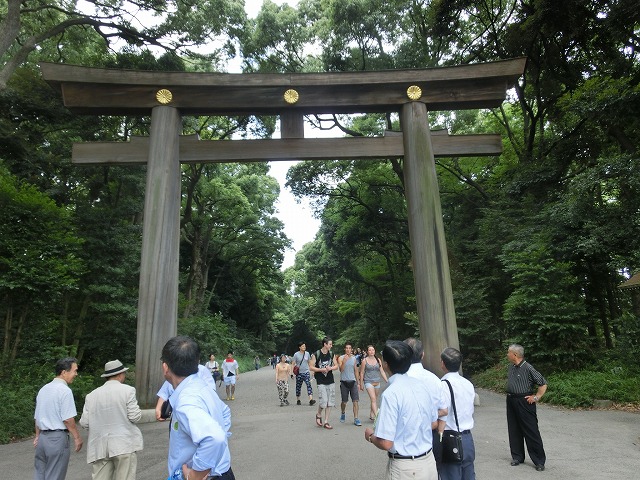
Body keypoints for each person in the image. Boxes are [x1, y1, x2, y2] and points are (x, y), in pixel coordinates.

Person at [363, 340, 438, 480]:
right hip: (429, 463)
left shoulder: (391, 394)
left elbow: (386, 442)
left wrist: (370, 436)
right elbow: (434, 423)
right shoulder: (422, 386)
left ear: (385, 365)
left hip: (405, 468)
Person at [162, 335, 234, 480]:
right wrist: (216, 454)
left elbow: (215, 438)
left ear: (165, 367)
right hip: (223, 471)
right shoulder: (202, 387)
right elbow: (225, 412)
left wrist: (195, 474)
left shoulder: (186, 401)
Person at [79, 360, 143, 480]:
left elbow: (84, 423)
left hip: (100, 446)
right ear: (120, 375)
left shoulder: (91, 395)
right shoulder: (128, 390)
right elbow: (134, 416)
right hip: (124, 443)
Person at [33, 357, 83, 480]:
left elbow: (38, 417)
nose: (76, 374)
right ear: (64, 372)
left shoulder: (43, 389)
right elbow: (67, 419)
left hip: (42, 440)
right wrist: (77, 437)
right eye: (74, 371)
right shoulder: (64, 391)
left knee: (40, 475)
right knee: (54, 476)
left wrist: (37, 436)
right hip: (57, 439)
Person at [404, 337, 448, 466]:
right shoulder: (434, 379)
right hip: (430, 434)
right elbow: (444, 410)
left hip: (406, 438)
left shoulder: (399, 380)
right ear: (423, 354)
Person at [506, 344, 547, 471]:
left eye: (508, 352)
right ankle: (517, 456)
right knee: (514, 429)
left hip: (524, 402)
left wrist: (536, 397)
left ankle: (539, 461)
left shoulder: (528, 367)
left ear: (515, 355)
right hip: (511, 400)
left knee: (531, 430)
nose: (507, 355)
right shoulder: (511, 367)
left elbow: (543, 383)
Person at [438, 347, 476, 480]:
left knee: (450, 475)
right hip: (467, 438)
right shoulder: (468, 384)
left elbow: (443, 412)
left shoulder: (443, 385)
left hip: (451, 438)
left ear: (443, 363)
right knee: (468, 475)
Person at [309, 336, 339, 429]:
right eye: (330, 344)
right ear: (325, 344)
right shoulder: (316, 354)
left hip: (330, 379)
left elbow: (336, 365)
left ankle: (326, 421)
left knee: (330, 402)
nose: (331, 345)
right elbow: (311, 367)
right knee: (324, 401)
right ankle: (318, 414)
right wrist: (320, 369)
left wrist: (331, 368)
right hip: (320, 380)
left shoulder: (331, 353)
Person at [359, 344, 388, 421]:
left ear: (374, 351)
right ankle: (377, 417)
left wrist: (387, 381)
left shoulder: (378, 360)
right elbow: (361, 373)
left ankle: (371, 414)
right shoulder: (364, 361)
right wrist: (361, 384)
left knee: (374, 399)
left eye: (373, 350)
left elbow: (382, 371)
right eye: (370, 350)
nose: (371, 351)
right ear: (367, 352)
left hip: (377, 381)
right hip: (368, 381)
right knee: (373, 399)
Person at [338, 342, 362, 426]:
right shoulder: (341, 358)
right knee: (344, 402)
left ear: (351, 349)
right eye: (346, 348)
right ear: (344, 349)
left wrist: (358, 383)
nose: (348, 349)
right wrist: (344, 361)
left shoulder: (354, 358)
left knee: (355, 401)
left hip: (353, 382)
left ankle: (356, 418)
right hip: (344, 382)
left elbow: (356, 370)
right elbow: (341, 370)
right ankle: (343, 412)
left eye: (349, 348)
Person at [292, 341, 316, 406]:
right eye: (302, 346)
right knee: (298, 387)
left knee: (309, 385)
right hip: (299, 373)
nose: (304, 347)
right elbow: (293, 363)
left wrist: (312, 370)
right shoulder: (296, 354)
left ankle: (311, 399)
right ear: (299, 347)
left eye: (304, 346)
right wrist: (292, 373)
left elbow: (309, 362)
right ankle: (298, 399)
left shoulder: (307, 354)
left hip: (306, 372)